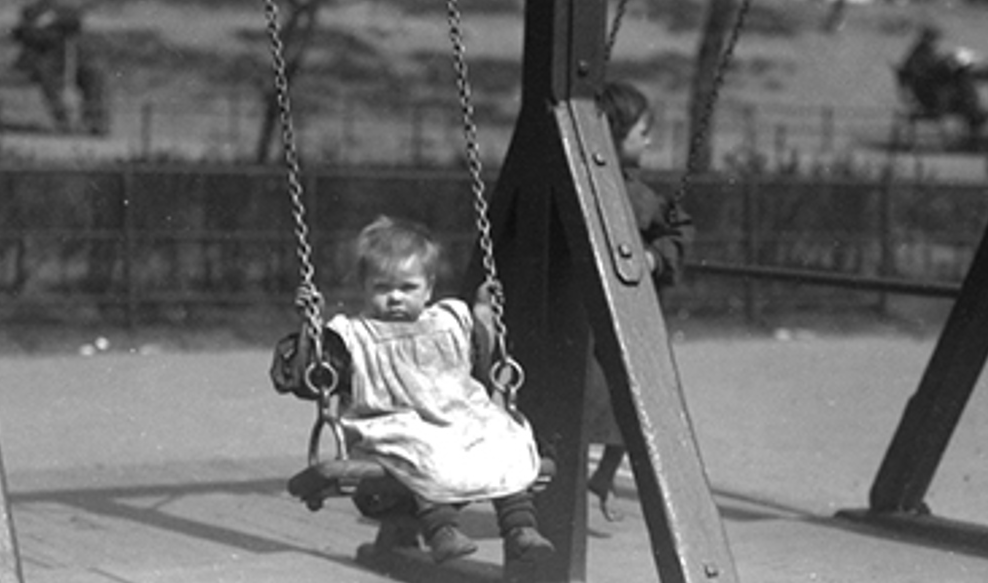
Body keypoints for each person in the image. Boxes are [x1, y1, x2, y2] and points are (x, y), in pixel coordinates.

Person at [272, 216, 555, 566]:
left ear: (429, 287)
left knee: (503, 437)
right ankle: (442, 531)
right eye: (382, 288)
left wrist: (485, 312)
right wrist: (309, 330)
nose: (395, 298)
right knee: (421, 446)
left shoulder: (447, 322)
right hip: (390, 427)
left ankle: (520, 528)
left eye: (407, 288)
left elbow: (483, 354)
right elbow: (309, 378)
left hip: (455, 421)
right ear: (363, 286)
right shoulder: (352, 336)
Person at [585, 81, 694, 521]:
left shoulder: (643, 196)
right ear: (615, 134)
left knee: (633, 405)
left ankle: (604, 477)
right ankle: (580, 482)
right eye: (643, 130)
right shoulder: (600, 186)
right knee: (600, 404)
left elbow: (678, 231)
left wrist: (653, 256)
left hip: (626, 321)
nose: (650, 139)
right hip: (590, 322)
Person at [10, 0, 108, 135]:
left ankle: (94, 120)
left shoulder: (54, 5)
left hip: (65, 57)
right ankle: (63, 120)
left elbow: (74, 21)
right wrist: (51, 30)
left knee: (93, 72)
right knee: (47, 73)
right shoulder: (29, 9)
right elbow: (27, 34)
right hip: (41, 57)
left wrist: (51, 24)